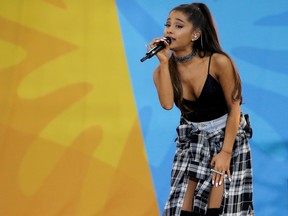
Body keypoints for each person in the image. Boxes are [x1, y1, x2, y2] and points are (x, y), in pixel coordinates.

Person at [147, 2, 254, 216]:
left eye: (178, 26)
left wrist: (225, 153)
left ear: (195, 35)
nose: (169, 30)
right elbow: (167, 104)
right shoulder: (163, 70)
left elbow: (235, 109)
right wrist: (164, 63)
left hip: (226, 136)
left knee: (222, 208)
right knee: (181, 208)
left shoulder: (219, 62)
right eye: (167, 25)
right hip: (193, 140)